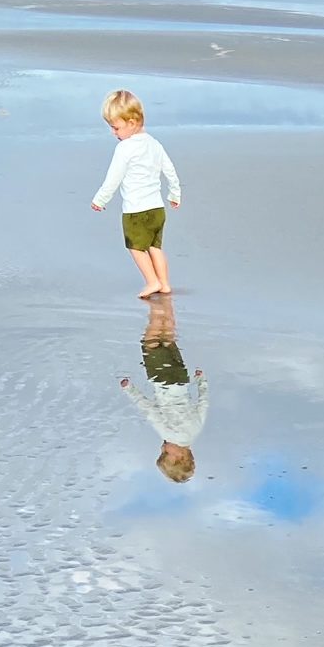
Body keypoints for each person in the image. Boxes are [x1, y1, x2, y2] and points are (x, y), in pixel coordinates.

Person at [91, 89, 182, 299]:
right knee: (155, 246)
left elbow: (113, 178)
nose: (113, 133)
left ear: (131, 123)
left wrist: (100, 200)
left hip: (136, 210)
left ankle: (152, 281)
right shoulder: (154, 143)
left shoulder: (125, 148)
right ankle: (164, 283)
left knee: (136, 247)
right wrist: (174, 193)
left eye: (115, 128)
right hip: (157, 209)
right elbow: (169, 169)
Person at [121, 295, 208, 483]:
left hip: (181, 379)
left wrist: (201, 380)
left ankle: (166, 303)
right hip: (163, 381)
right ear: (179, 457)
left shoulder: (195, 430)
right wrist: (130, 390)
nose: (161, 448)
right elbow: (149, 411)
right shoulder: (169, 434)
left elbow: (203, 403)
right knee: (150, 342)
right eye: (164, 454)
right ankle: (155, 306)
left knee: (168, 337)